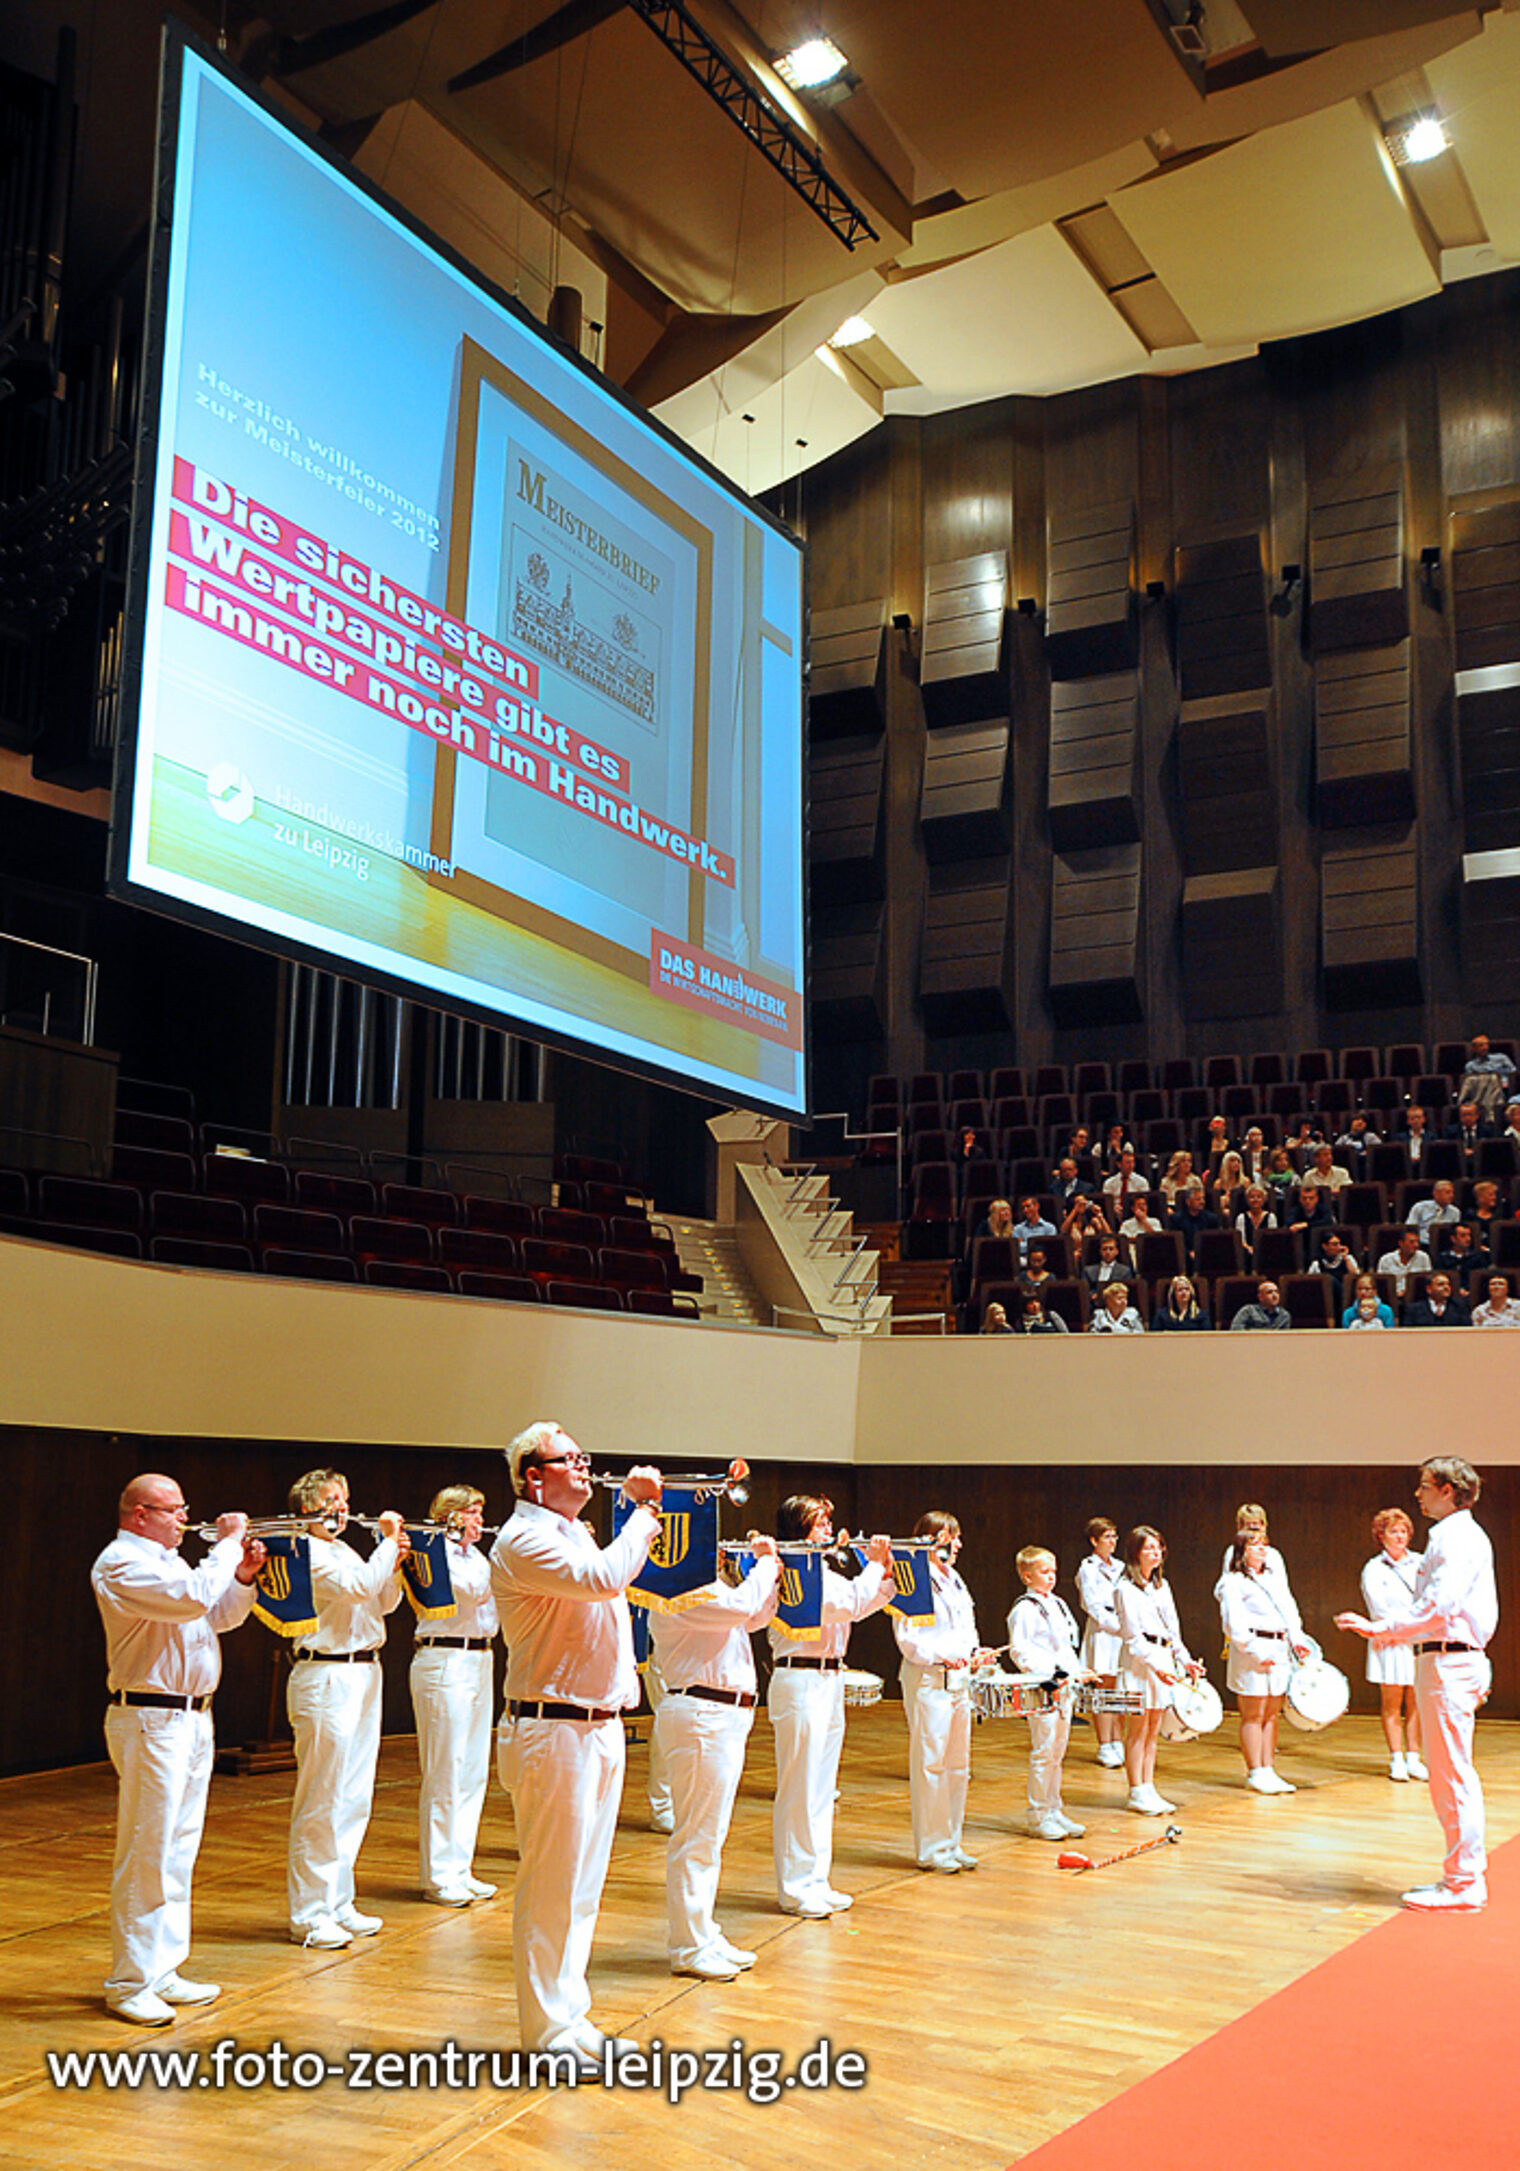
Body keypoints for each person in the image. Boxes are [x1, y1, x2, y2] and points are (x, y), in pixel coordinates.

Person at [490, 1421, 662, 2066]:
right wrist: (646, 1511)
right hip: (552, 1726)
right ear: (533, 1476)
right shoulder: (523, 1538)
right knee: (551, 1884)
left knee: (583, 1885)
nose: (585, 1467)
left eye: (585, 1457)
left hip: (597, 1725)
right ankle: (544, 2032)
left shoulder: (573, 1533)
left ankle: (570, 2015)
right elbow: (603, 1579)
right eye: (570, 1460)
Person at [91, 1475, 265, 2025]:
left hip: (192, 1716)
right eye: (173, 1511)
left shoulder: (170, 1562)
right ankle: (129, 1980)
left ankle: (163, 1967)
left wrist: (239, 1576)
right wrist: (228, 1543)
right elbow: (191, 1599)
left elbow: (218, 1614)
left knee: (179, 1848)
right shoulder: (120, 1562)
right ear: (139, 1514)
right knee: (148, 1848)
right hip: (152, 1716)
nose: (183, 1519)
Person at [1336, 1457, 1497, 1909]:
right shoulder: (1450, 1535)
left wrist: (1381, 1629)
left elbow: (1438, 1608)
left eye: (1425, 1486)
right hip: (1442, 1660)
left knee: (1452, 1775)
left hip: (1450, 1661)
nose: (1417, 1494)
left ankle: (1465, 1882)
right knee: (1447, 1774)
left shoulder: (1457, 1536)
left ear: (1448, 1489)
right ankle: (1459, 1875)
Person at [286, 1469, 409, 1949]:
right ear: (306, 1509)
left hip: (364, 1669)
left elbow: (383, 1601)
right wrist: (387, 1542)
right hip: (326, 1673)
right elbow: (357, 1587)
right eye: (330, 1501)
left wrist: (394, 1561)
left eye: (344, 1499)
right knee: (322, 1795)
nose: (340, 1508)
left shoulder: (345, 1549)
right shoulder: (307, 1552)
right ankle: (309, 1912)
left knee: (354, 1794)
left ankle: (338, 1899)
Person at [651, 1534, 781, 1977]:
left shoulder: (713, 1588)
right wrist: (763, 1564)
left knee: (710, 1834)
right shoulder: (676, 1589)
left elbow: (756, 1617)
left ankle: (702, 1932)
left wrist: (774, 1574)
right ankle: (688, 1945)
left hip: (722, 1715)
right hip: (702, 1713)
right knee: (696, 1836)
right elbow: (743, 1608)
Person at [769, 1494, 894, 1915]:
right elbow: (849, 1603)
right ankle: (794, 1886)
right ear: (799, 1529)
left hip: (827, 1677)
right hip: (799, 1677)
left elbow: (859, 1606)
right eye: (819, 1523)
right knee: (800, 1788)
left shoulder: (822, 1569)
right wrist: (873, 1563)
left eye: (827, 1522)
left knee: (822, 1789)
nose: (828, 1530)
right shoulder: (793, 1571)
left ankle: (815, 1879)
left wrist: (891, 1578)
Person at [410, 1484, 499, 1908]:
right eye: (473, 1513)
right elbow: (468, 1591)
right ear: (451, 1515)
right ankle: (439, 1874)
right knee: (446, 1768)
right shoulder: (435, 1553)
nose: (480, 1520)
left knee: (472, 1768)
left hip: (479, 1659)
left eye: (481, 1512)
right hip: (444, 1657)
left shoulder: (477, 1556)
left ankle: (461, 1866)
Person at [894, 1511, 991, 1873]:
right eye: (953, 1537)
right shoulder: (913, 1578)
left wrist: (974, 1653)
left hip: (958, 1680)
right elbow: (909, 1640)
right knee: (931, 1764)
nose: (959, 1544)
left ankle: (952, 1841)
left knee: (957, 1765)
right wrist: (944, 1657)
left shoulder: (955, 1579)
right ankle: (931, 1848)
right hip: (928, 1680)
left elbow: (967, 1627)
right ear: (933, 1539)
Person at [1113, 1526, 1204, 1816]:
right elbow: (1133, 1638)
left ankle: (1148, 1786)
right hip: (1140, 1664)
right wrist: (1157, 1666)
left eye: (1159, 1547)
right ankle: (1136, 1790)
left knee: (1153, 1729)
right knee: (1138, 1729)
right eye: (1149, 1548)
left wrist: (1184, 1660)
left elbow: (1172, 1631)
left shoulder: (1161, 1586)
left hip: (1162, 1660)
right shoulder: (1124, 1589)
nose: (1156, 1552)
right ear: (1136, 1553)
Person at [1008, 1547, 1093, 1841]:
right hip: (1043, 1686)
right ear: (1027, 1576)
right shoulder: (1024, 1609)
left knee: (1058, 1751)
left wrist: (1077, 1673)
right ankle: (1038, 1814)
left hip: (1065, 1686)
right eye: (1045, 1572)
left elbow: (1067, 1645)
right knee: (1043, 1751)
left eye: (1054, 1571)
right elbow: (1021, 1650)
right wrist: (1051, 1676)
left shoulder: (1057, 1604)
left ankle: (1054, 1809)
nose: (1051, 1577)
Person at [1218, 1531, 1310, 1794]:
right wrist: (1255, 1651)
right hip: (1253, 1652)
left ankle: (1268, 1768)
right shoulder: (1232, 1581)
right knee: (1253, 1713)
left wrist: (1297, 1638)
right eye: (1255, 1545)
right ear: (1241, 1551)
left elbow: (1289, 1609)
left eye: (1264, 1545)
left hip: (1278, 1648)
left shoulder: (1272, 1577)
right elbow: (1233, 1623)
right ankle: (1254, 1771)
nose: (1262, 1550)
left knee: (1272, 1713)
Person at [1358, 1508, 1427, 1783]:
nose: (1399, 1536)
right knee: (1391, 1702)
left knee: (1417, 1701)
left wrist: (1414, 1628)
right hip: (1389, 1641)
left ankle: (1414, 1757)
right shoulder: (1374, 1568)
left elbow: (1427, 1600)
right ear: (1381, 1536)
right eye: (1393, 1531)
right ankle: (1396, 1758)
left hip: (1417, 1640)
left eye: (1403, 1531)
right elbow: (1378, 1608)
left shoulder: (1421, 1562)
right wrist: (1398, 1629)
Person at [1076, 1517, 1127, 1767]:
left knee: (1118, 1688)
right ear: (1094, 1540)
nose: (1112, 1541)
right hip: (1104, 1632)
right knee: (1103, 1687)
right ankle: (1104, 1744)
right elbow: (1092, 1604)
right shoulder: (1088, 1568)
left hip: (1122, 1631)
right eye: (1107, 1537)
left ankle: (1118, 1739)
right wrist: (1116, 1626)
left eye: (1114, 1536)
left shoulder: (1120, 1567)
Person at [1405, 1271, 1472, 1327]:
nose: (1446, 1287)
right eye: (1441, 1284)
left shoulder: (1460, 1307)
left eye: (1448, 1284)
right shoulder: (1413, 1310)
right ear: (1429, 1289)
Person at [1406, 1178, 1460, 1248]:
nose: (1451, 1195)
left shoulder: (1455, 1211)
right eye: (1448, 1192)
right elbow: (1410, 1228)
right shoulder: (1420, 1207)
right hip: (1422, 1244)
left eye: (1452, 1192)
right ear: (1436, 1194)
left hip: (1445, 1246)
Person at [1375, 1229, 1430, 1296]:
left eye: (1417, 1242)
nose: (1416, 1245)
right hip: (1391, 1296)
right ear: (1401, 1243)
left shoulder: (1423, 1257)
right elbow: (1381, 1285)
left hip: (1416, 1296)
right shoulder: (1386, 1260)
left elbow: (1428, 1281)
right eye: (1412, 1242)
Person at [1235, 1183, 1277, 1271]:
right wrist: (1249, 1248)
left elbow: (1272, 1239)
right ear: (1247, 1200)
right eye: (1252, 1197)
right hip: (1247, 1251)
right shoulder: (1241, 1217)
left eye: (1258, 1197)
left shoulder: (1270, 1217)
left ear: (1264, 1199)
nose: (1255, 1200)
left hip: (1266, 1250)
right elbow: (1240, 1240)